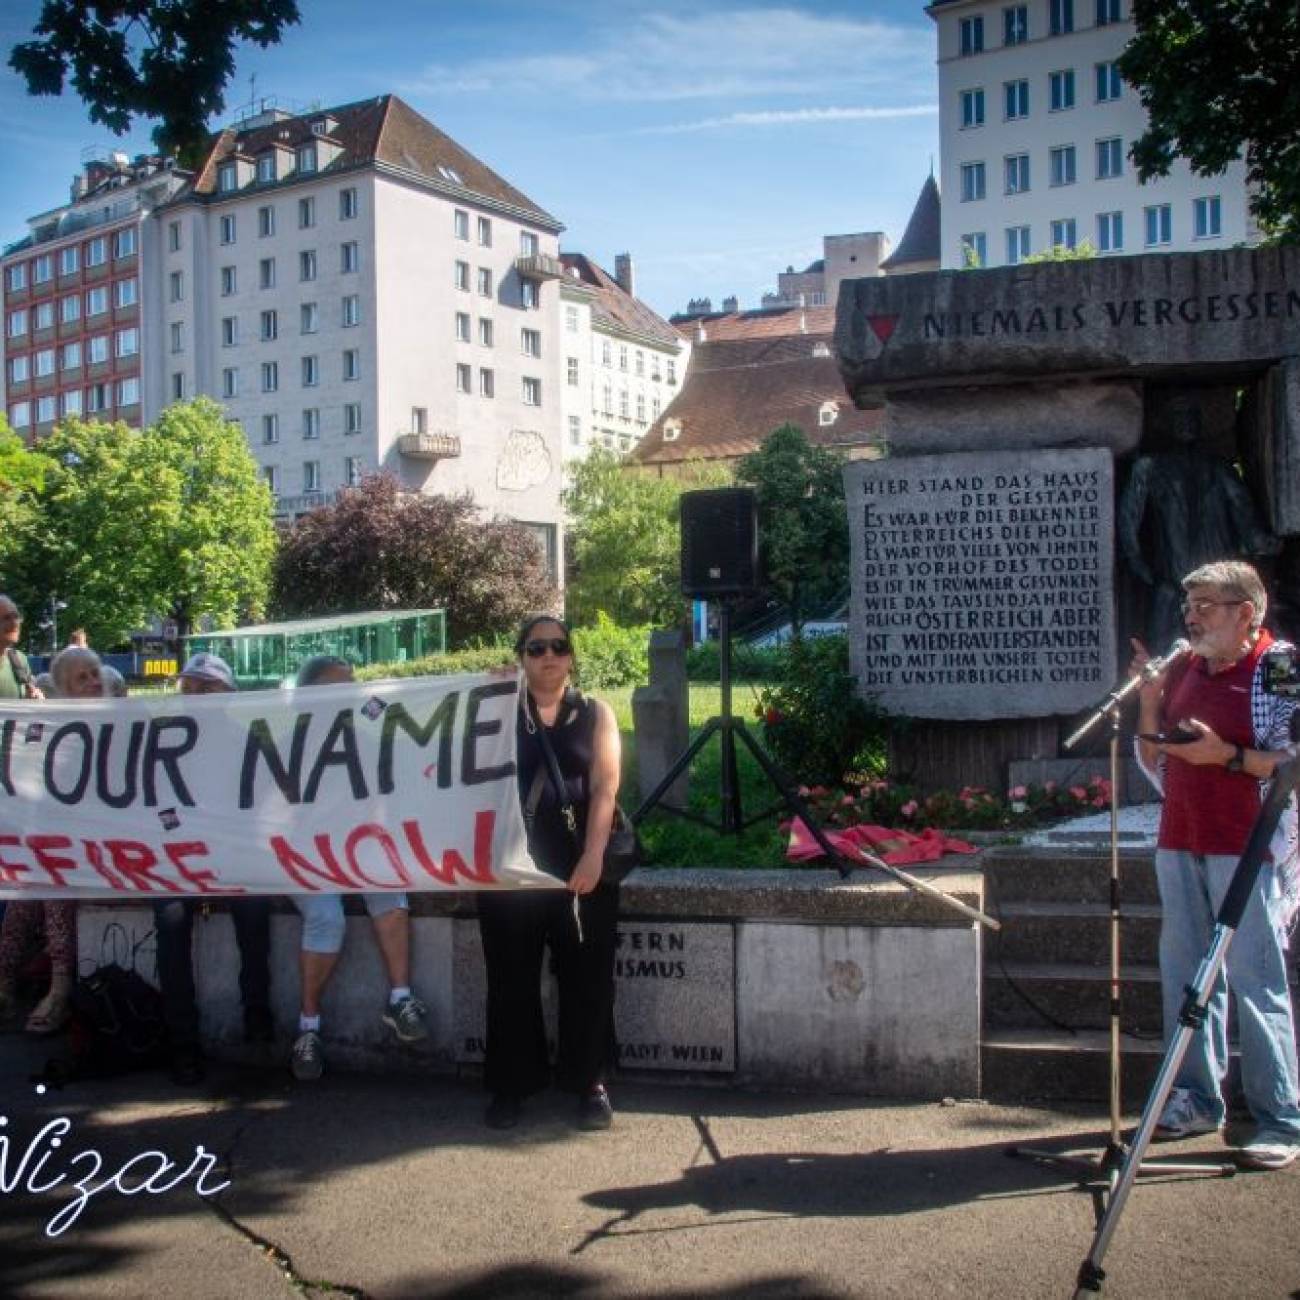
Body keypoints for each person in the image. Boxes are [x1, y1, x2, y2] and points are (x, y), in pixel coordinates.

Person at [1133, 560, 1300, 1170]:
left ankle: (1280, 1116)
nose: (1192, 617)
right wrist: (1150, 704)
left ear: (1245, 613)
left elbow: (1294, 761)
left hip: (1249, 843)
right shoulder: (1184, 666)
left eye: (1207, 605)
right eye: (1189, 606)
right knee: (1187, 976)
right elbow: (1159, 760)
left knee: (1257, 982)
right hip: (1181, 837)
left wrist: (1226, 754)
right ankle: (1199, 1099)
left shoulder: (1279, 666)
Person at [477, 615, 622, 1131]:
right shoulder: (496, 711)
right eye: (536, 648)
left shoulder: (595, 713)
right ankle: (511, 1085)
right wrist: (485, 688)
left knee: (587, 981)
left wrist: (594, 854)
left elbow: (606, 787)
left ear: (571, 656)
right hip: (509, 868)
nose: (548, 656)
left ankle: (590, 1082)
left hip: (578, 867)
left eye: (558, 646)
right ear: (521, 655)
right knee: (510, 981)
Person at [288, 655, 428, 1081]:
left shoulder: (366, 739)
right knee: (326, 918)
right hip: (305, 855)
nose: (351, 692)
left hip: (354, 849)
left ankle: (400, 999)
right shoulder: (285, 743)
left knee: (388, 886)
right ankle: (307, 1028)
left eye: (354, 683)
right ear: (309, 695)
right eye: (339, 685)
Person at [155, 652, 274, 1084]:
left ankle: (257, 1015)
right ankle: (181, 1043)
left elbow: (264, 803)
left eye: (206, 688)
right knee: (169, 920)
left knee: (255, 910)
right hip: (179, 856)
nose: (196, 695)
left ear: (227, 695)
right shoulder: (163, 739)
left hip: (232, 854)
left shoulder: (249, 741)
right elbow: (150, 800)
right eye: (189, 688)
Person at [0, 643, 95, 1033]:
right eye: (82, 678)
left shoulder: (126, 722)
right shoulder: (52, 733)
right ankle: (4, 980)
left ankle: (59, 988)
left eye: (94, 674)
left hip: (105, 851)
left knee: (53, 889)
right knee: (25, 894)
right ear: (63, 688)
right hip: (64, 846)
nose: (93, 683)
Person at [0, 594, 44, 700]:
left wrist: (33, 700)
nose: (15, 623)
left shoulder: (18, 659)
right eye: (7, 618)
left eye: (16, 616)